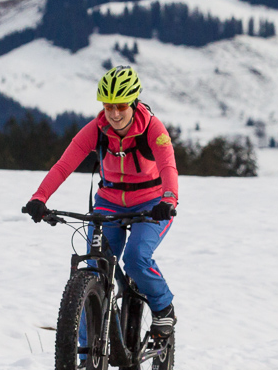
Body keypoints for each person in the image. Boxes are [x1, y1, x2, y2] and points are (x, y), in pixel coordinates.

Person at [23, 65, 179, 335]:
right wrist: (40, 197)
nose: (114, 114)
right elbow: (63, 166)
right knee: (94, 271)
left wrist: (169, 200)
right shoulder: (96, 129)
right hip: (109, 203)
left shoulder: (153, 128)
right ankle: (84, 367)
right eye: (108, 107)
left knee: (136, 257)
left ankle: (163, 306)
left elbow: (168, 166)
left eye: (120, 106)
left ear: (133, 102)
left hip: (151, 205)